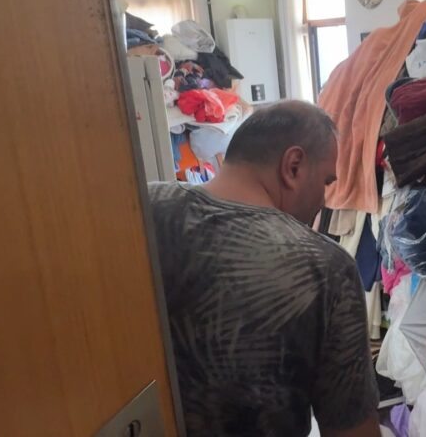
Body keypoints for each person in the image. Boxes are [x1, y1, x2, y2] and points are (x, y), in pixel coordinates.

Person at [148, 100, 380, 437]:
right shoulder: (324, 267)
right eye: (326, 182)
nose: (323, 200)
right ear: (293, 166)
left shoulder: (142, 206)